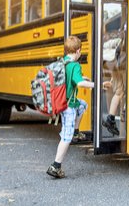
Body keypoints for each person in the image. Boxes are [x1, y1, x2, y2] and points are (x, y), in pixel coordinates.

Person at [47, 35, 94, 179]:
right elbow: (78, 83)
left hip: (61, 102)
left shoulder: (63, 62)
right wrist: (95, 84)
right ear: (78, 50)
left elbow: (72, 79)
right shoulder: (75, 65)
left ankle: (76, 131)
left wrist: (82, 78)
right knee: (66, 137)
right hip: (68, 107)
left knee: (83, 105)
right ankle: (55, 165)